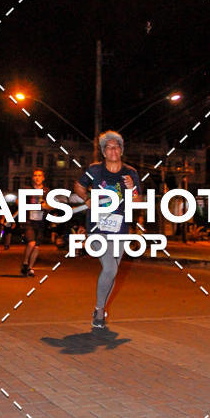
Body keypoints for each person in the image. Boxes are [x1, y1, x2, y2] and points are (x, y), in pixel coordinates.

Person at [74, 130, 142, 329]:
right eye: (109, 147)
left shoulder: (130, 173)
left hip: (119, 227)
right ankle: (99, 310)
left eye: (117, 147)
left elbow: (138, 200)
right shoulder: (95, 170)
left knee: (112, 271)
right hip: (97, 226)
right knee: (110, 268)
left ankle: (100, 310)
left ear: (122, 150)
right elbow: (78, 186)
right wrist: (87, 198)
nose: (113, 150)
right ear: (104, 152)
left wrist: (132, 188)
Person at [20, 169, 49, 277]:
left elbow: (51, 206)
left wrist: (46, 206)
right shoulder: (27, 189)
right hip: (29, 220)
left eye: (39, 175)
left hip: (41, 221)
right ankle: (25, 263)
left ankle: (30, 268)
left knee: (36, 246)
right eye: (35, 175)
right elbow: (19, 201)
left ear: (43, 178)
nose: (37, 177)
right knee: (31, 243)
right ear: (33, 178)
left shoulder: (46, 191)